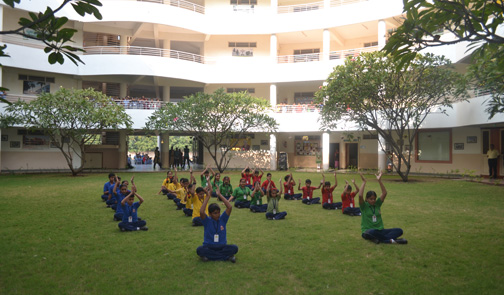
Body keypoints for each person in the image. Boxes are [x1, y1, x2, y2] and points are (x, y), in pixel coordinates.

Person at [359, 172, 407, 244]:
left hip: (380, 230)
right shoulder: (364, 206)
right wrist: (364, 182)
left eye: (374, 199)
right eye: (371, 199)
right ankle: (390, 241)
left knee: (399, 230)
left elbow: (384, 193)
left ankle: (380, 239)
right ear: (367, 199)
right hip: (368, 231)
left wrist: (379, 181)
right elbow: (360, 196)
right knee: (371, 232)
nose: (373, 201)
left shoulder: (377, 204)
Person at [196, 185, 238, 262]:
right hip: (209, 246)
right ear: (210, 214)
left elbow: (229, 207)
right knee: (199, 250)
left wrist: (219, 195)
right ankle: (226, 257)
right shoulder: (207, 221)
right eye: (215, 213)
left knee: (235, 248)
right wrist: (207, 197)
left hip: (222, 246)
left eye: (218, 213)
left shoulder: (222, 219)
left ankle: (210, 257)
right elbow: (202, 212)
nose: (218, 215)